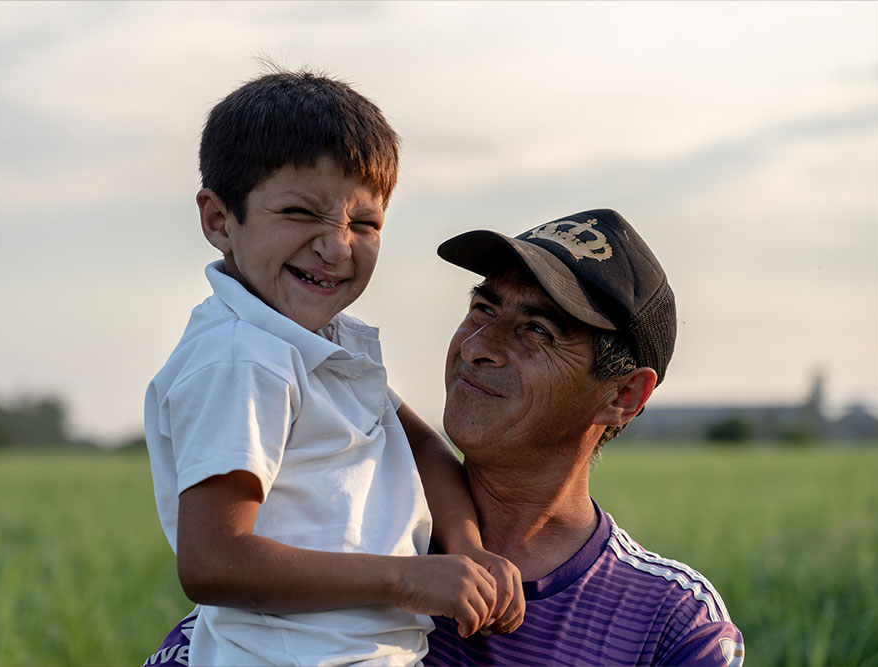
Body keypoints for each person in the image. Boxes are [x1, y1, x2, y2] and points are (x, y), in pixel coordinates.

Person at [142, 68, 522, 667]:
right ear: (219, 220)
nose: (337, 246)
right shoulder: (243, 357)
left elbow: (421, 448)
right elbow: (214, 561)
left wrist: (468, 549)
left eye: (364, 223)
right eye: (299, 211)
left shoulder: (318, 341)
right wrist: (406, 580)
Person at [424, 208, 745, 666]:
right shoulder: (358, 524)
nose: (476, 347)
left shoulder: (671, 623)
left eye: (537, 330)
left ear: (624, 395)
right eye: (482, 308)